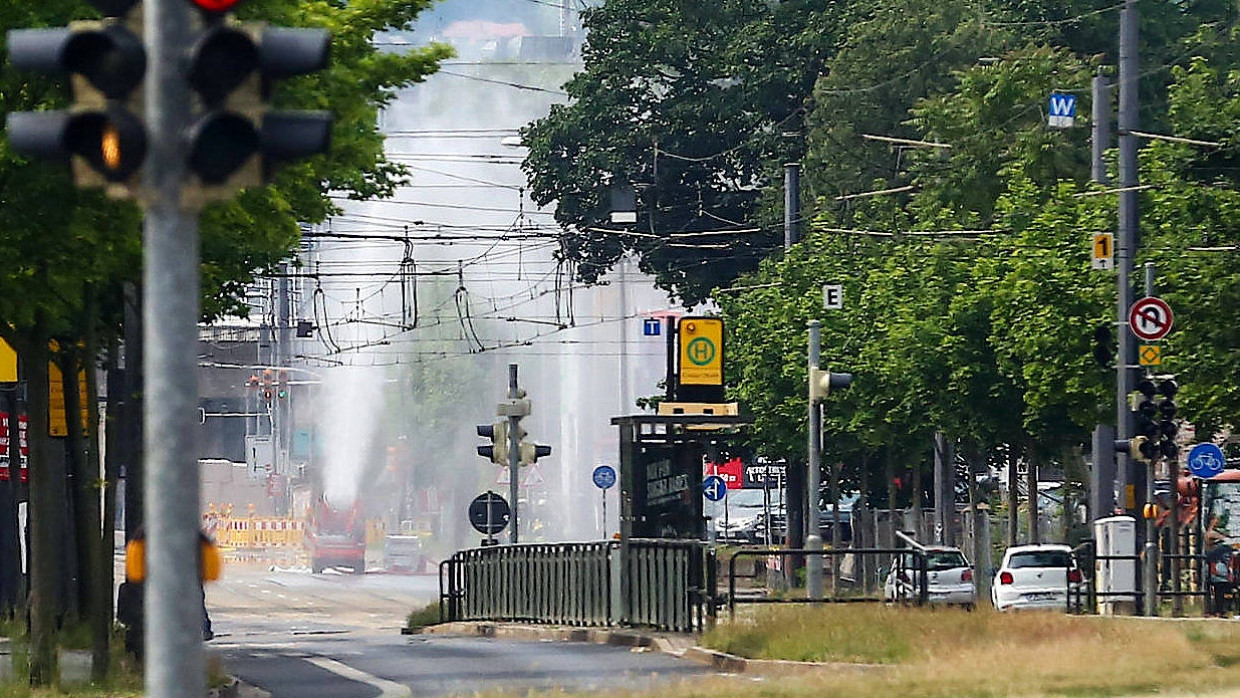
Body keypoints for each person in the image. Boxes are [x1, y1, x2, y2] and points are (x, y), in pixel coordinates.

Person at [1206, 538, 1232, 617]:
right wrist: (1225, 576)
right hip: (1217, 578)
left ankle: (1221, 611)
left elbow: (1229, 564)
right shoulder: (1214, 554)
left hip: (1222, 578)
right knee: (1218, 594)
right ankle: (1218, 611)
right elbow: (1212, 568)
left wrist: (1228, 575)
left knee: (1220, 594)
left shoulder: (1216, 552)